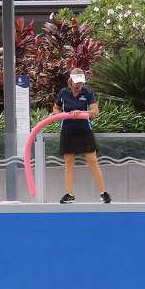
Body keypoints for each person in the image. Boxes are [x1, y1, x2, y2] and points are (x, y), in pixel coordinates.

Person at [52, 68, 111, 204]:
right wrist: (59, 115)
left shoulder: (88, 92)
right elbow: (56, 108)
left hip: (84, 130)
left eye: (81, 83)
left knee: (93, 161)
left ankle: (104, 193)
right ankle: (70, 194)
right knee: (69, 163)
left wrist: (81, 112)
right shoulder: (64, 92)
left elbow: (95, 112)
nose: (79, 85)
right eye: (77, 82)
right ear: (71, 81)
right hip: (67, 130)